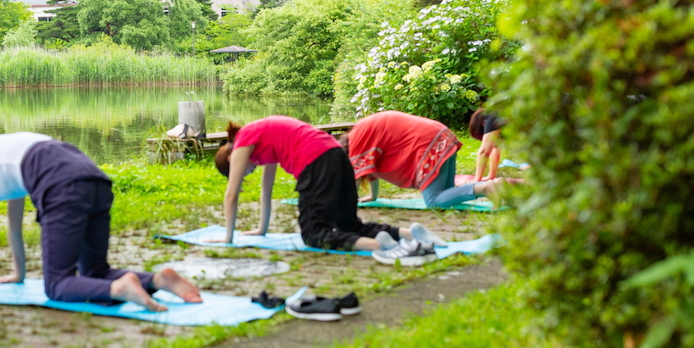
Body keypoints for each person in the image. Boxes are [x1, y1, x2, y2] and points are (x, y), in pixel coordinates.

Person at [0, 132, 202, 312]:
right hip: (94, 178)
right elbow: (13, 228)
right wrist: (19, 275)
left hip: (62, 184)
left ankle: (119, 288)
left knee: (57, 284)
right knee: (94, 271)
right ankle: (158, 280)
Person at [214, 117, 440, 265]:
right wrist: (261, 230)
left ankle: (380, 245)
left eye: (244, 171)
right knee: (348, 225)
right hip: (336, 154)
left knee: (313, 234)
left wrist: (228, 237)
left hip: (316, 162)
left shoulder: (244, 141)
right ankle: (409, 234)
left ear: (232, 158)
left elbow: (231, 195)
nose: (249, 171)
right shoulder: (259, 135)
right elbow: (267, 189)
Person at [342, 110, 499, 208]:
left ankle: (484, 188)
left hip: (429, 141)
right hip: (442, 134)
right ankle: (484, 188)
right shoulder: (362, 132)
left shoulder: (357, 139)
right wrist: (373, 197)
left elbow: (353, 177)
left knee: (434, 201)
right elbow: (370, 170)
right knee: (448, 195)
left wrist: (347, 204)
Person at [468, 109, 506, 181]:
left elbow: (484, 152)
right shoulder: (498, 116)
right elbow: (495, 148)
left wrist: (476, 180)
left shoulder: (492, 116)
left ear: (483, 123)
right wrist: (491, 176)